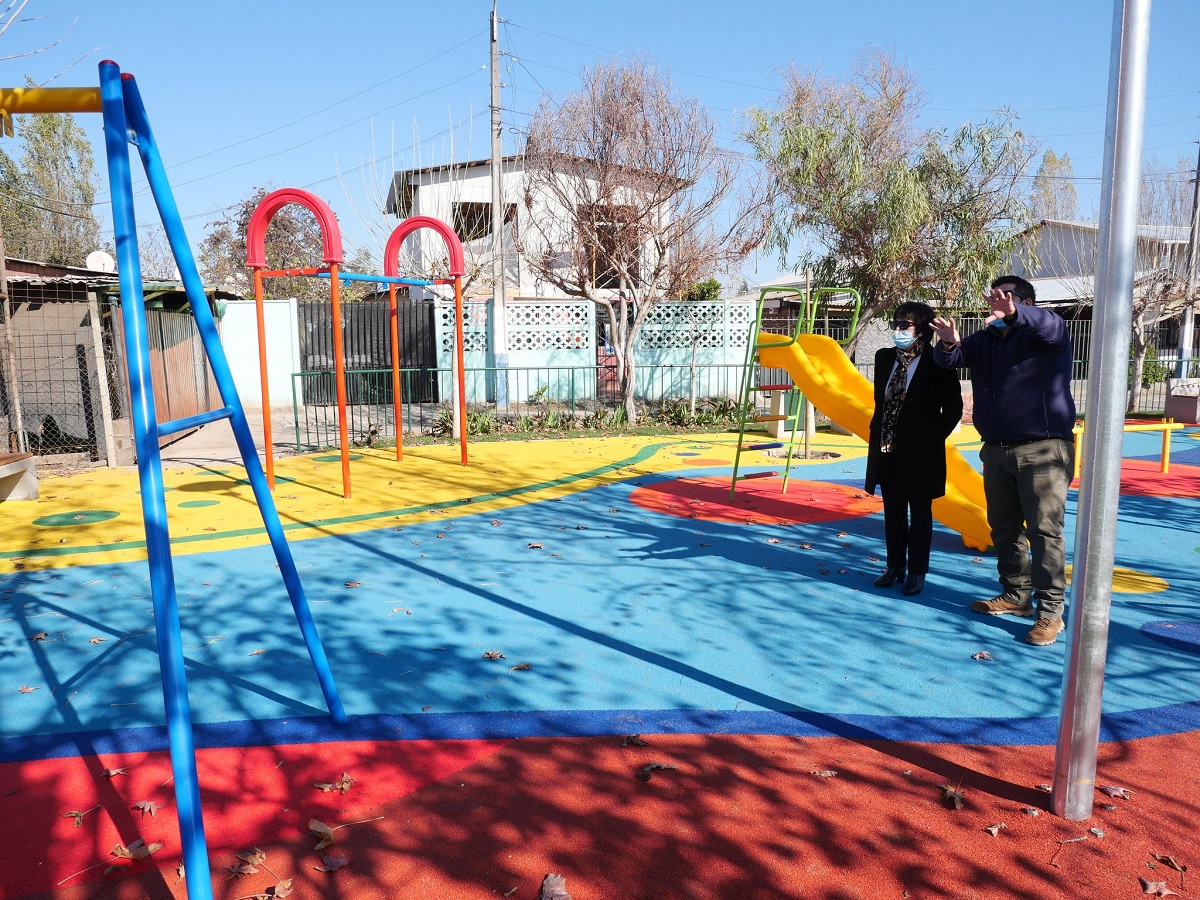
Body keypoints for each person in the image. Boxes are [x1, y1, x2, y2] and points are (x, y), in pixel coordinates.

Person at [931, 275, 1076, 646]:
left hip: (1042, 449)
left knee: (1044, 531)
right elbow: (952, 359)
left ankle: (1050, 612)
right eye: (995, 297)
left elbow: (1047, 324)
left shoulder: (1049, 332)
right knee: (1004, 527)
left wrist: (1015, 314)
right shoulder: (987, 339)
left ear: (1026, 302)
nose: (999, 303)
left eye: (1008, 298)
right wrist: (947, 343)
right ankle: (1016, 595)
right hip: (996, 448)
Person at [865, 301, 963, 596]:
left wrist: (932, 438)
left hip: (922, 453)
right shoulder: (884, 358)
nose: (897, 330)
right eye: (894, 324)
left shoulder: (937, 362)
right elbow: (881, 403)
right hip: (887, 448)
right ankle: (894, 566)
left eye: (903, 326)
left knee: (920, 513)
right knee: (892, 511)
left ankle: (917, 572)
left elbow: (954, 408)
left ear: (921, 331)